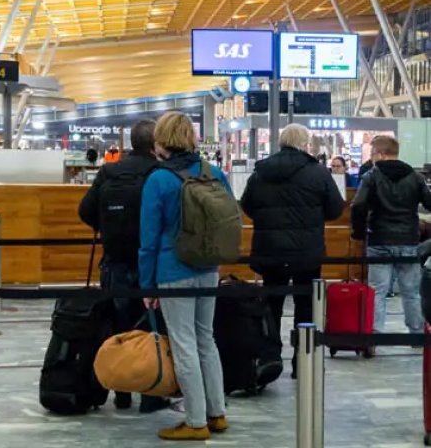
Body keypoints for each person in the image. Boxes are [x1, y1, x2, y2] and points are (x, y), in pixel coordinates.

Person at [140, 111, 230, 442]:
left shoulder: (158, 180)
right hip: (208, 268)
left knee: (184, 344)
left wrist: (147, 284)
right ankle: (216, 412)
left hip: (172, 270)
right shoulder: (214, 173)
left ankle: (194, 421)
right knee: (206, 339)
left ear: (161, 140)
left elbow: (148, 239)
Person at [241, 123, 344, 377]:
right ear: (305, 144)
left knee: (271, 304)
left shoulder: (260, 172)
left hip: (270, 249)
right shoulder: (318, 172)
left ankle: (270, 358)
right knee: (305, 304)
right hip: (306, 252)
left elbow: (247, 205)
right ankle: (303, 361)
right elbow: (335, 209)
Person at [79, 119, 167, 414]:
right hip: (150, 264)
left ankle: (122, 392)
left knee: (119, 325)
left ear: (131, 142)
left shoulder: (109, 171)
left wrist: (107, 227)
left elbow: (85, 210)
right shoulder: (160, 172)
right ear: (156, 143)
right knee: (151, 327)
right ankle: (152, 393)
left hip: (114, 260)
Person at [351, 134, 431, 340]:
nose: (371, 158)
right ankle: (416, 335)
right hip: (408, 240)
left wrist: (358, 232)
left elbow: (358, 205)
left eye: (372, 153)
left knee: (377, 291)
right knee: (411, 292)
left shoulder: (371, 176)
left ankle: (375, 335)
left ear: (380, 153)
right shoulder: (415, 177)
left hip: (379, 239)